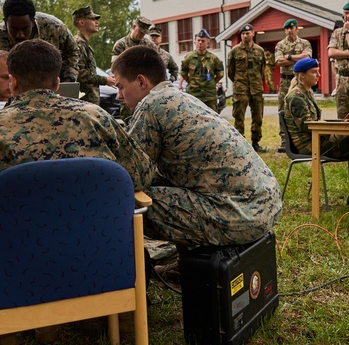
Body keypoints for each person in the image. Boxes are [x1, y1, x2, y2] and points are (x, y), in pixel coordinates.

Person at [0, 40, 154, 233]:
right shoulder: (97, 118)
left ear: (13, 81)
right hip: (98, 256)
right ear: (57, 83)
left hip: (18, 266)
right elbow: (142, 173)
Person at [111, 45, 282, 248]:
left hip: (242, 215)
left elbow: (131, 177)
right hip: (267, 204)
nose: (118, 96)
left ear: (141, 81)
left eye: (120, 86)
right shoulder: (180, 97)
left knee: (131, 204)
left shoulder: (151, 105)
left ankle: (130, 271)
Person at [283, 58, 349, 207]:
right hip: (309, 146)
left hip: (318, 141)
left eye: (318, 71)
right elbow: (308, 126)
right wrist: (336, 130)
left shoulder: (306, 93)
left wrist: (338, 126)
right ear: (302, 76)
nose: (318, 75)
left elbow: (314, 123)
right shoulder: (296, 96)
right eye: (314, 72)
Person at [0, 0, 78, 82]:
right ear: (6, 22)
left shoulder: (55, 28)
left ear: (32, 21)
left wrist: (68, 80)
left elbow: (73, 52)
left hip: (54, 87)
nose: (20, 35)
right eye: (14, 29)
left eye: (25, 28)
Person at [227, 23, 272, 152]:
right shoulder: (234, 51)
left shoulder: (260, 51)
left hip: (256, 88)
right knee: (239, 117)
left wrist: (256, 81)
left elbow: (262, 70)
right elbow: (231, 71)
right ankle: (240, 144)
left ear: (253, 33)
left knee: (258, 116)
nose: (245, 36)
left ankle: (255, 142)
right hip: (241, 89)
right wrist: (239, 83)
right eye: (243, 34)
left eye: (247, 33)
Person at [273, 18, 312, 152]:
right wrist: (298, 57)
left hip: (301, 81)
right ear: (285, 30)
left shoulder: (305, 43)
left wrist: (288, 57)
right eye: (287, 29)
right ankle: (285, 141)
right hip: (285, 81)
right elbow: (279, 61)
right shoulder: (280, 45)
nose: (289, 31)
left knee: (305, 108)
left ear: (296, 28)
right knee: (283, 109)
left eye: (292, 28)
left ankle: (304, 138)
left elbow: (307, 58)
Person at [71, 5, 112, 105]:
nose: (97, 22)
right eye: (93, 19)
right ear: (82, 22)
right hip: (83, 103)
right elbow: (78, 73)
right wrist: (104, 80)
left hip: (88, 102)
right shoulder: (78, 44)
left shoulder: (85, 45)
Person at [179, 29, 224, 111]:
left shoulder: (213, 58)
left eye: (203, 41)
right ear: (195, 42)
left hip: (210, 95)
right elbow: (183, 72)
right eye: (198, 40)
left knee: (212, 119)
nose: (200, 43)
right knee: (194, 119)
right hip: (194, 94)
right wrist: (190, 82)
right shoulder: (189, 58)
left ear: (208, 43)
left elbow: (220, 73)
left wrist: (213, 82)